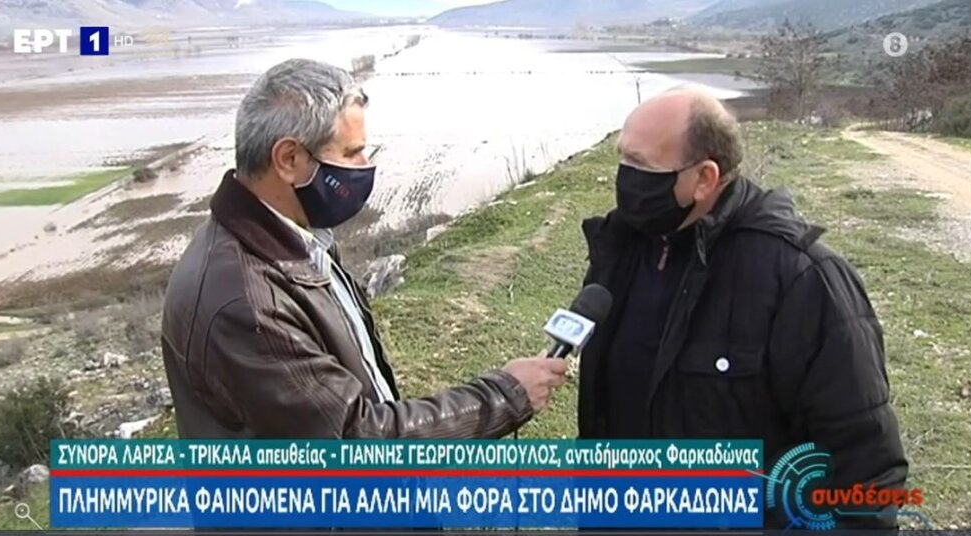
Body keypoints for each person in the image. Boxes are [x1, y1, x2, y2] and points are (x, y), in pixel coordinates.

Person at [161, 58, 568, 439]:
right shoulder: (247, 304)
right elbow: (357, 437)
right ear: (288, 159)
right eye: (352, 152)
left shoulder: (295, 241)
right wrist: (505, 396)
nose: (365, 165)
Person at [576, 87, 908, 528]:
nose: (624, 177)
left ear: (705, 178)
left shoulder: (802, 279)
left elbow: (865, 471)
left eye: (640, 164)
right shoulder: (621, 249)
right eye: (622, 157)